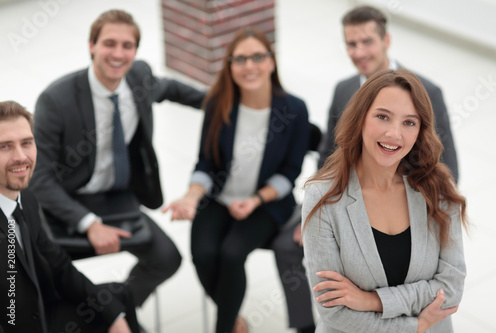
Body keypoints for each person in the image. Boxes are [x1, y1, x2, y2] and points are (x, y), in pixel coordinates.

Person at [29, 9, 205, 309]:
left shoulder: (139, 77)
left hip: (118, 196)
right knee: (39, 273)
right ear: (92, 45)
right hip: (66, 201)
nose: (118, 54)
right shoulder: (55, 100)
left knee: (167, 259)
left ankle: (114, 313)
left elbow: (173, 89)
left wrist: (228, 100)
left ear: (135, 51)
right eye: (109, 43)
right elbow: (39, 178)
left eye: (128, 46)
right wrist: (88, 224)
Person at [165, 27, 310, 333]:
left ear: (271, 62)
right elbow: (205, 162)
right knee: (203, 254)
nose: (249, 66)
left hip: (267, 202)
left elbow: (290, 173)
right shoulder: (219, 104)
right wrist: (191, 196)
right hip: (218, 197)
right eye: (240, 59)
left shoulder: (294, 110)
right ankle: (234, 321)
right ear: (230, 66)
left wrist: (256, 200)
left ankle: (224, 328)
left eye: (258, 56)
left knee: (231, 254)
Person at [302, 69, 468, 332]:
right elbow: (333, 311)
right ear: (360, 119)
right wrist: (415, 325)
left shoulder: (438, 188)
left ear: (420, 131)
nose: (394, 134)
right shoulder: (322, 198)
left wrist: (372, 300)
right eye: (383, 117)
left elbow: (451, 288)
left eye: (409, 122)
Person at [0, 101, 140, 333]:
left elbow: (58, 264)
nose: (21, 157)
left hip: (42, 312)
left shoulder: (27, 198)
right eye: (4, 147)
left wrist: (112, 317)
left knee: (117, 300)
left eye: (26, 143)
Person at [319, 5, 459, 183]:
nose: (359, 52)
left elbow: (448, 168)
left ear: (386, 40)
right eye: (352, 44)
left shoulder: (427, 92)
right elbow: (328, 154)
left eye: (367, 42)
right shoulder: (343, 90)